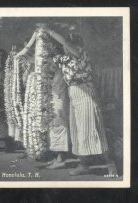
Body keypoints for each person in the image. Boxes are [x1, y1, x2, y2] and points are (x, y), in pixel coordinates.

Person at [41, 25, 117, 175]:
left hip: (86, 94)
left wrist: (48, 31)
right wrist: (36, 45)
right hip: (73, 95)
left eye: (68, 45)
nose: (65, 48)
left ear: (76, 45)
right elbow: (45, 59)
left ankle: (110, 165)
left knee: (94, 129)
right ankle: (83, 165)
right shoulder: (63, 59)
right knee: (78, 131)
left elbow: (65, 43)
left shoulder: (81, 54)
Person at [46, 43, 70, 169]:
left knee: (60, 127)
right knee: (53, 128)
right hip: (54, 99)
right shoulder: (55, 69)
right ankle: (56, 157)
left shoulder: (61, 67)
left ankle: (61, 158)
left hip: (60, 100)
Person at [0, 49, 15, 152]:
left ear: (0, 57)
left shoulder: (5, 68)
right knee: (0, 118)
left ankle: (6, 142)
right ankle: (2, 140)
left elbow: (0, 78)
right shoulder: (0, 67)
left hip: (2, 96)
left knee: (3, 119)